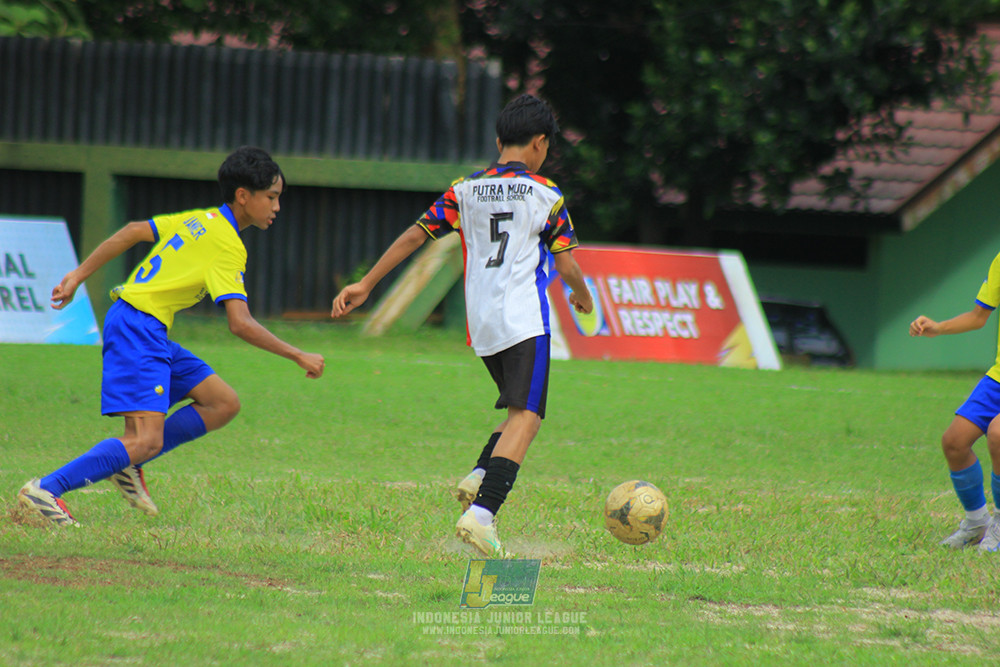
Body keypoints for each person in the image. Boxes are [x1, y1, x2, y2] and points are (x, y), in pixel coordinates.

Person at [331, 94, 593, 557]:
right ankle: (482, 514)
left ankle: (480, 472)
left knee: (517, 412)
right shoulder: (546, 195)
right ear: (540, 144)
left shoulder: (464, 190)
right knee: (528, 419)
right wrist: (583, 295)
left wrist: (367, 283)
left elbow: (416, 234)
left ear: (498, 141)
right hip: (523, 319)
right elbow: (566, 263)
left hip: (483, 325)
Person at [17, 146, 325, 526]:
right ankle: (46, 489)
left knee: (222, 402)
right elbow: (240, 323)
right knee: (146, 439)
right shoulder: (227, 244)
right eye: (272, 197)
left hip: (145, 327)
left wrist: (79, 275)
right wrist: (298, 355)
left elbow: (132, 232)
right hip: (138, 329)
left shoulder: (203, 219)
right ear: (243, 196)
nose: (277, 206)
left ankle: (129, 463)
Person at [910, 256, 1000, 551]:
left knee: (998, 434)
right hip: (997, 378)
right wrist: (938, 327)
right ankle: (977, 523)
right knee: (954, 442)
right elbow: (978, 316)